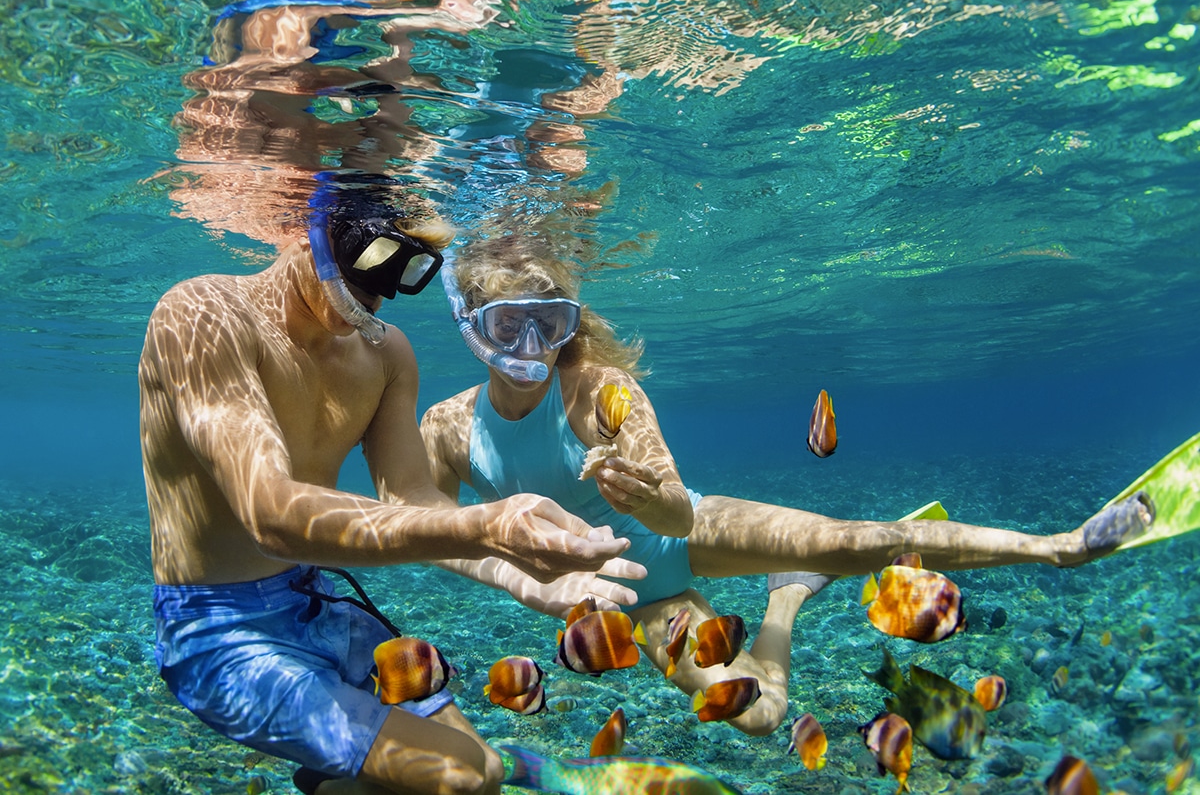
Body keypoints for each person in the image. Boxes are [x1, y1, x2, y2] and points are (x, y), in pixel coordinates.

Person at [417, 231, 1156, 737]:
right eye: (509, 324)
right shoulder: (447, 428)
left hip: (690, 532)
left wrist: (647, 494)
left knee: (862, 542)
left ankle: (1060, 546)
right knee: (760, 716)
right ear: (471, 327)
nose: (532, 346)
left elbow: (675, 508)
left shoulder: (599, 390)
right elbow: (424, 529)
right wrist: (510, 565)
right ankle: (788, 594)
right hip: (637, 602)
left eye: (551, 323)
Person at [138, 202, 644, 795]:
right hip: (218, 631)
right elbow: (267, 512)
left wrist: (516, 574)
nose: (374, 299)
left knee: (478, 769)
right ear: (311, 230)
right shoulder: (203, 313)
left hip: (315, 603)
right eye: (364, 268)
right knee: (464, 778)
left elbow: (411, 496)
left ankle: (327, 780)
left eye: (399, 278)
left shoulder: (385, 354)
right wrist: (485, 529)